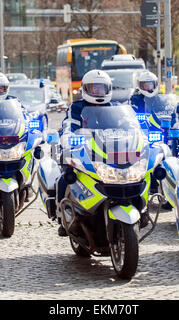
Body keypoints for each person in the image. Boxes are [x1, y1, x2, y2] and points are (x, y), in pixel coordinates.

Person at [56, 69, 114, 237]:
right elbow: (69, 125)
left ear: (108, 89)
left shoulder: (113, 107)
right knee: (65, 177)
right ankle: (62, 216)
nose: (98, 92)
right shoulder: (77, 107)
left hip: (107, 151)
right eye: (94, 88)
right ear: (85, 89)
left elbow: (126, 125)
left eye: (101, 88)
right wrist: (67, 136)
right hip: (83, 151)